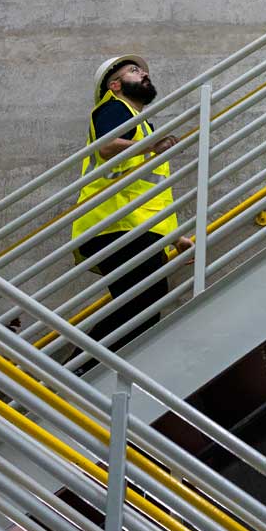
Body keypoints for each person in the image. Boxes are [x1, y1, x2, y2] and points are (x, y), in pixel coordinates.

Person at [70, 56, 192, 362]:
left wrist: (175, 238)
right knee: (140, 306)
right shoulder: (113, 108)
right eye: (134, 71)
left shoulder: (141, 127)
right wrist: (150, 147)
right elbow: (107, 145)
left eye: (144, 70)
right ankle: (79, 369)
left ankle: (88, 369)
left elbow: (147, 194)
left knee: (142, 307)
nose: (144, 74)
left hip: (129, 227)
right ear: (115, 85)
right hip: (113, 226)